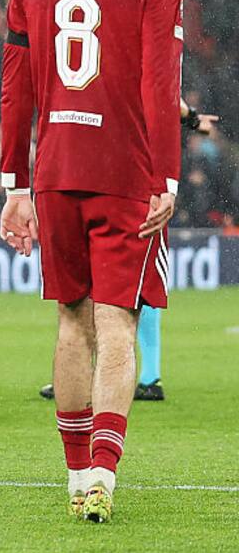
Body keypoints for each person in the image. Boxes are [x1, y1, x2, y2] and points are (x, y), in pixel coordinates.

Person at [0, 0, 183, 523]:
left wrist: (14, 181)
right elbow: (161, 82)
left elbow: (15, 88)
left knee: (71, 321)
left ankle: (76, 477)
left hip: (57, 170)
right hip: (125, 172)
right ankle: (104, 470)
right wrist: (167, 173)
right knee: (119, 324)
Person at [37, 99, 218, 403]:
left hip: (87, 170)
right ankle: (100, 372)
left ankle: (104, 372)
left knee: (101, 285)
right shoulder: (139, 54)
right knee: (130, 281)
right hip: (126, 173)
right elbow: (161, 91)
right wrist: (190, 117)